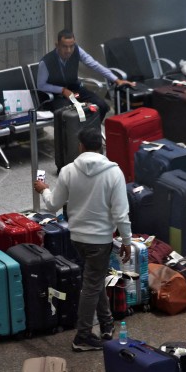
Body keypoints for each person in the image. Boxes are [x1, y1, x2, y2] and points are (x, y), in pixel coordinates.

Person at [34, 128, 133, 351]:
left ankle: (107, 325)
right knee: (92, 284)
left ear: (80, 146)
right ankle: (83, 337)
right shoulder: (113, 172)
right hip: (101, 239)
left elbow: (52, 205)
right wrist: (126, 239)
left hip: (77, 238)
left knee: (94, 279)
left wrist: (44, 190)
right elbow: (120, 213)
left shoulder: (68, 171)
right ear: (101, 146)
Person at [37, 29, 130, 118]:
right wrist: (62, 90)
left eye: (71, 46)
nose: (69, 50)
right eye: (64, 46)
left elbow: (94, 65)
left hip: (75, 91)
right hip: (57, 96)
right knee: (72, 113)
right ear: (57, 45)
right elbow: (41, 85)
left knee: (101, 105)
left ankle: (91, 131)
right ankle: (75, 133)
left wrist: (116, 79)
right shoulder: (46, 62)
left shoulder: (77, 50)